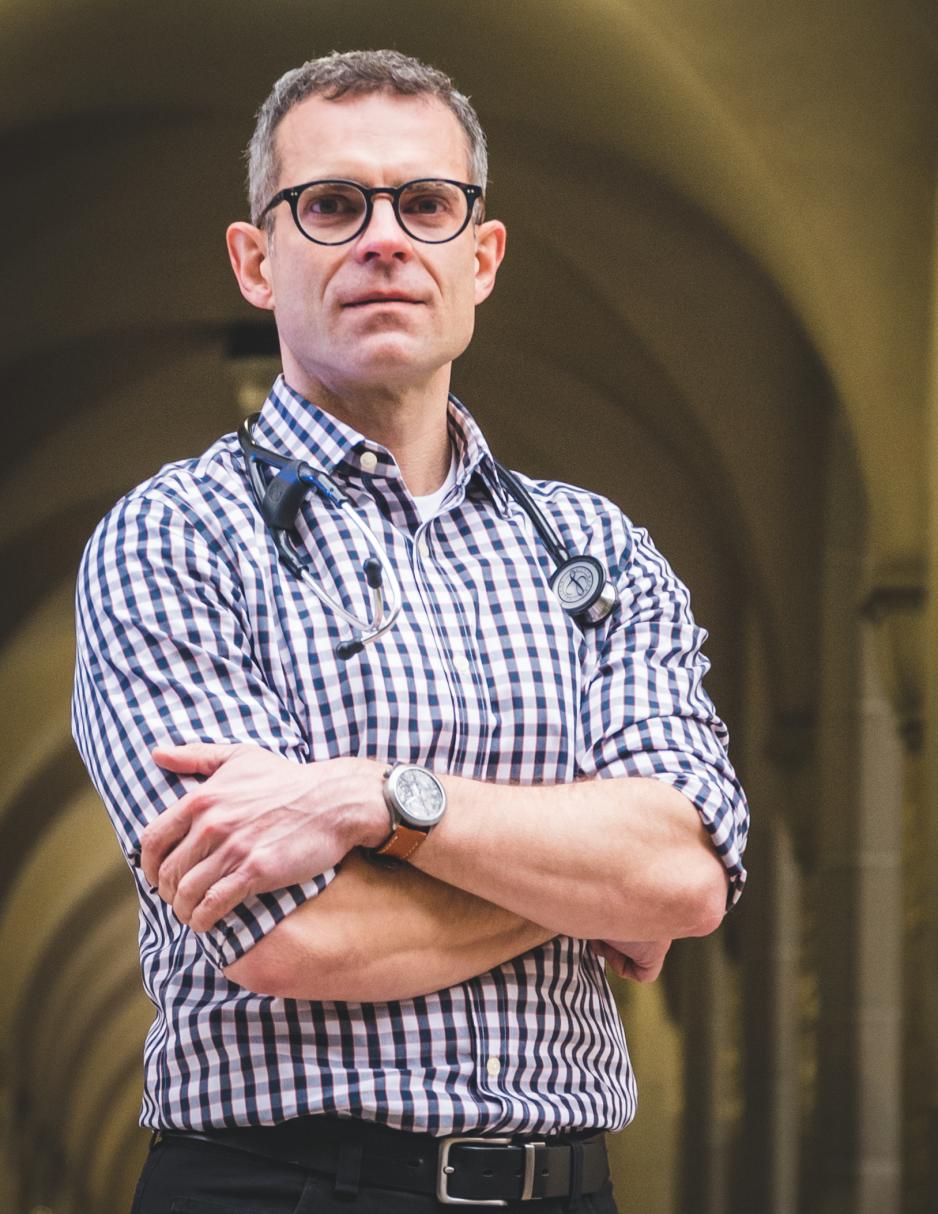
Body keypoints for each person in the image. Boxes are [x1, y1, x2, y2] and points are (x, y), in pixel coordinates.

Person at [72, 49, 748, 1214]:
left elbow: (683, 874)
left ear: (478, 258)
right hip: (277, 1185)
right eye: (330, 205)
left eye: (425, 204)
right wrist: (584, 888)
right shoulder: (174, 538)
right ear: (256, 259)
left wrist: (376, 799)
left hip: (563, 1186)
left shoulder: (598, 551)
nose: (383, 237)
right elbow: (295, 938)